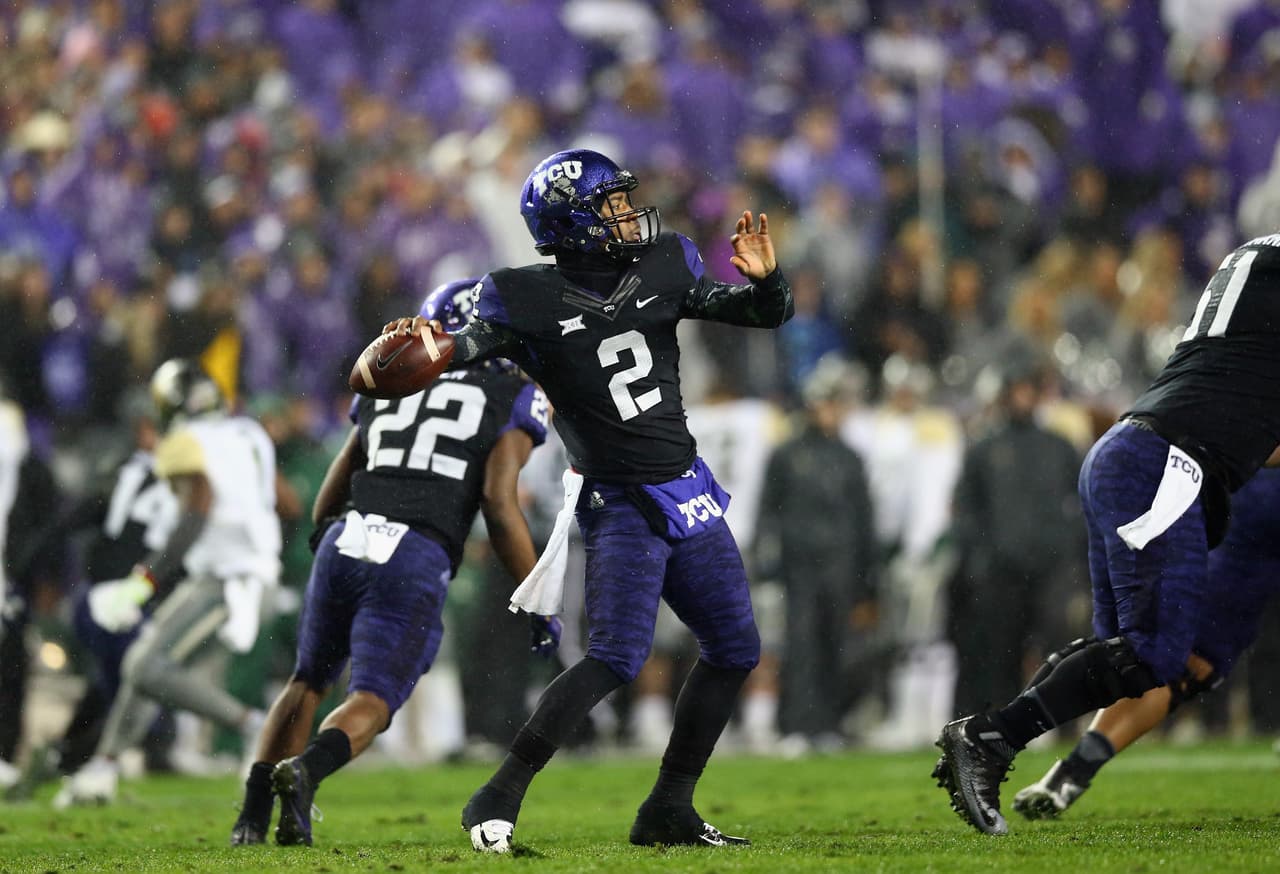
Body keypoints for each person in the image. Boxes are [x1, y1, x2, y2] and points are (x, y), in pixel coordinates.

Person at [385, 148, 792, 852]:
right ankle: (496, 796)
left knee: (735, 648)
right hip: (620, 500)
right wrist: (427, 345)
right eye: (612, 205)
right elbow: (464, 348)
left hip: (686, 487)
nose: (628, 214)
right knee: (615, 656)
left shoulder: (665, 262)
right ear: (571, 222)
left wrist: (767, 281)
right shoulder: (522, 296)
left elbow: (762, 314)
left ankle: (668, 807)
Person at [933, 233, 1280, 836]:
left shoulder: (1248, 302)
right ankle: (989, 739)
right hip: (1163, 467)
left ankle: (1001, 745)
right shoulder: (1265, 276)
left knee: (1123, 652)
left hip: (1130, 454)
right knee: (1154, 654)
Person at [230, 279, 555, 847]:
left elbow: (336, 485)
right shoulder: (511, 394)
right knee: (373, 699)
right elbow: (500, 504)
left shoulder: (390, 371)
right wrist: (537, 595)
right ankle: (305, 772)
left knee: (306, 681)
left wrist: (329, 535)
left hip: (349, 533)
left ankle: (251, 819)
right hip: (415, 548)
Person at [58, 359, 281, 807]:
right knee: (144, 664)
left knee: (145, 666)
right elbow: (282, 501)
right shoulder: (248, 433)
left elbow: (196, 514)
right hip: (246, 576)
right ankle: (103, 767)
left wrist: (144, 580)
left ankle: (255, 726)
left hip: (227, 582)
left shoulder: (183, 441)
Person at [1013, 466, 1280, 819]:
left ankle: (1065, 767)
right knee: (1181, 663)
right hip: (1245, 509)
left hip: (1233, 505)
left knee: (1174, 661)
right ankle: (1054, 759)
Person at [754, 356, 877, 752]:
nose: (833, 411)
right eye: (828, 402)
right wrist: (766, 561)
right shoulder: (787, 454)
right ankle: (796, 725)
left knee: (837, 647)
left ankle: (829, 724)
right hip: (800, 565)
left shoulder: (850, 457)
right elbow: (767, 512)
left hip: (840, 565)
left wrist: (867, 576)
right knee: (801, 645)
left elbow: (864, 520)